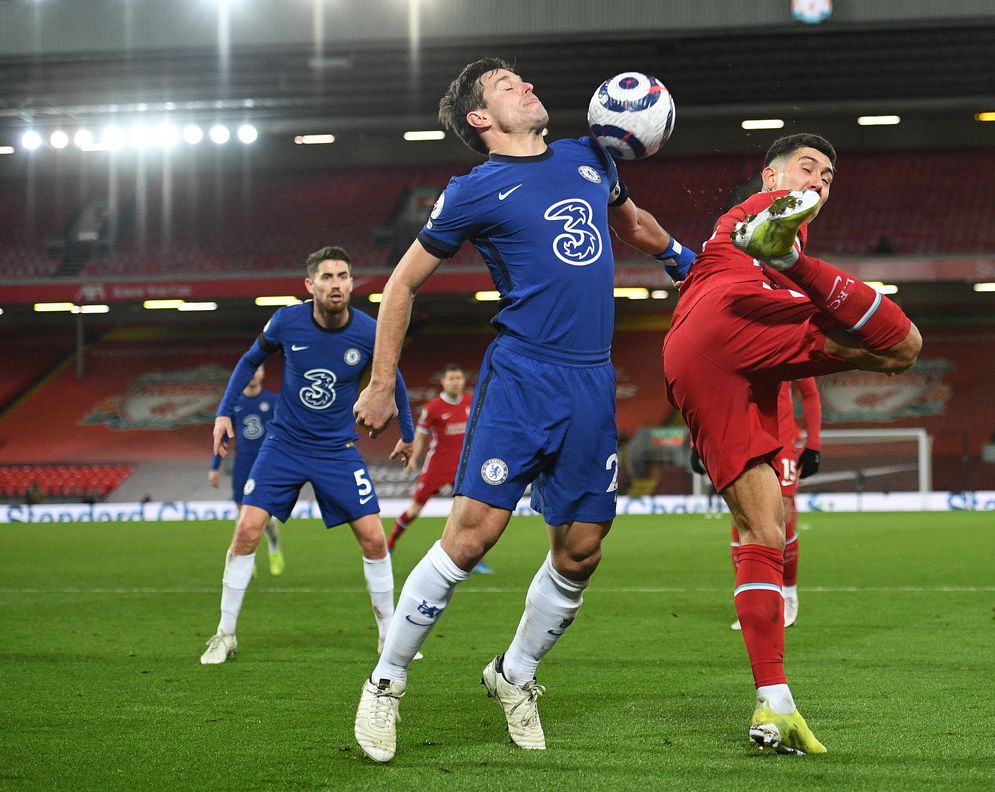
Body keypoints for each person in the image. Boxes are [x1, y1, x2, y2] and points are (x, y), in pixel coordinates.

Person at [351, 58, 692, 761]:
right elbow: (400, 286)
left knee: (582, 550)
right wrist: (383, 382)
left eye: (525, 80)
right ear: (481, 118)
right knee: (472, 537)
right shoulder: (473, 191)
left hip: (591, 383)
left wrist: (688, 260)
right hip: (524, 377)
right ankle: (386, 681)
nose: (529, 86)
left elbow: (632, 223)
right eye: (509, 86)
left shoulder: (590, 155)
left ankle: (515, 674)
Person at [662, 132, 922, 755]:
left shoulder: (748, 232)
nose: (820, 181)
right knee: (905, 344)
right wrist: (784, 239)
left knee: (763, 531)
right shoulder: (756, 211)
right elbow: (769, 213)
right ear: (769, 177)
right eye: (808, 168)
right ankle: (793, 267)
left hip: (700, 358)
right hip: (736, 319)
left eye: (829, 177)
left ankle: (773, 702)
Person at [200, 246, 415, 665]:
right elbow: (249, 361)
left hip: (336, 449)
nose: (336, 284)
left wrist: (407, 434)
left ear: (352, 283)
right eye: (327, 277)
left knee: (373, 538)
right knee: (246, 531)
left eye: (343, 276)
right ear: (310, 285)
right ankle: (224, 634)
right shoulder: (286, 321)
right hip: (284, 444)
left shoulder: (369, 331)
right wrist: (224, 411)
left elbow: (394, 381)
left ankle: (389, 634)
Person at [726, 378, 821, 631]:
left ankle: (788, 593)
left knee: (783, 513)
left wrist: (813, 444)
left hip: (782, 439)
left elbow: (809, 392)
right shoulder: (736, 342)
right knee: (741, 514)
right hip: (743, 438)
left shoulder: (787, 340)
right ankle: (754, 601)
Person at [386, 363, 493, 574]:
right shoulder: (433, 408)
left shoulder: (472, 403)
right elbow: (421, 435)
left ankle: (474, 559)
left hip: (463, 467)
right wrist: (413, 458)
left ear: (464, 381)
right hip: (437, 466)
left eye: (459, 378)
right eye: (451, 378)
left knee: (470, 514)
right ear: (443, 382)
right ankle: (389, 545)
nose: (455, 382)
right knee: (415, 509)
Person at [207, 365, 284, 576]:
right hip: (242, 464)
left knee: (265, 518)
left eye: (257, 370)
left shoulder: (273, 399)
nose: (253, 374)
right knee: (243, 517)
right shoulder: (235, 404)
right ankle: (248, 560)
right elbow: (222, 437)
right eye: (250, 370)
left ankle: (274, 547)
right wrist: (215, 468)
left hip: (266, 464)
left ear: (263, 373)